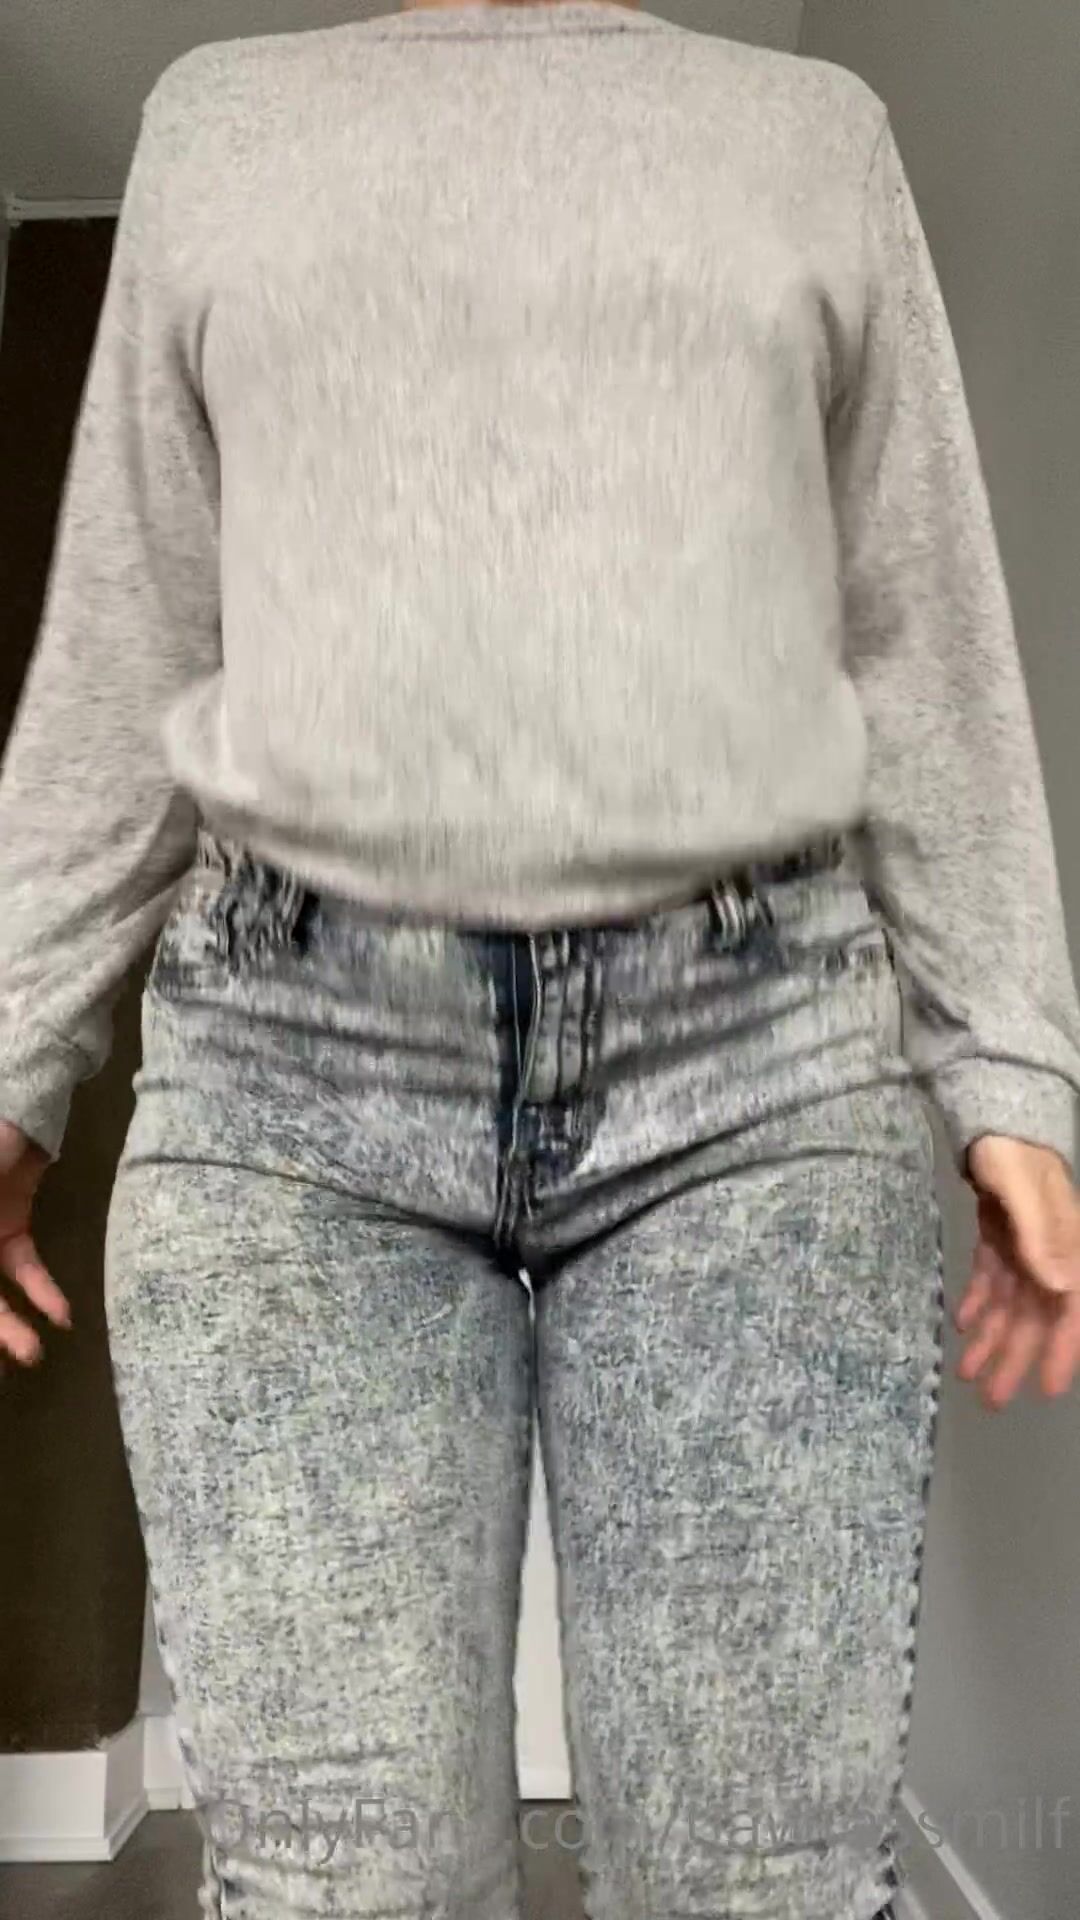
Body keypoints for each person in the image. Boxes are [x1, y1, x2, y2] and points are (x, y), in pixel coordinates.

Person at [2, 0, 1079, 1914]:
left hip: (753, 1081)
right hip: (289, 1097)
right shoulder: (217, 126)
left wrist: (1009, 1057)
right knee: (342, 1887)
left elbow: (919, 624)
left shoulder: (814, 133)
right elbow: (130, 639)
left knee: (758, 1883)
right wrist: (15, 1044)